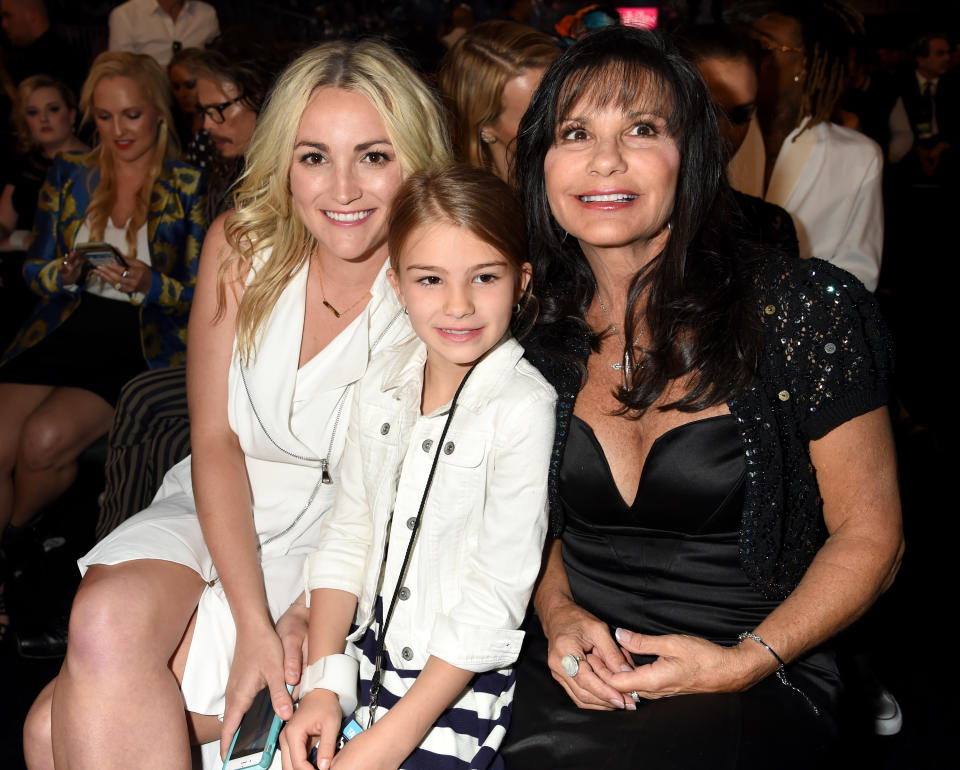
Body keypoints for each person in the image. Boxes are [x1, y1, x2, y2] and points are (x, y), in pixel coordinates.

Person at [22, 39, 450, 770]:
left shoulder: (446, 283)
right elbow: (214, 439)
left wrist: (308, 616)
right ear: (284, 160)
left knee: (47, 728)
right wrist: (253, 623)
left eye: (374, 156)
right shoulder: (242, 245)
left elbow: (416, 496)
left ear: (417, 159)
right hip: (217, 499)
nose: (342, 188)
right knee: (101, 615)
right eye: (314, 157)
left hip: (337, 542)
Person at [499, 26, 902, 768]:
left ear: (694, 158)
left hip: (756, 668)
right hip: (573, 665)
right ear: (542, 165)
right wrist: (558, 615)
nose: (605, 160)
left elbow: (872, 539)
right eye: (577, 131)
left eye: (643, 129)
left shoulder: (801, 307)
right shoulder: (529, 328)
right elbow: (519, 521)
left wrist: (745, 661)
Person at [283, 164, 555, 770]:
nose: (458, 306)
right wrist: (324, 682)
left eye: (484, 277)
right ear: (398, 286)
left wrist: (387, 742)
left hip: (450, 682)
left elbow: (496, 593)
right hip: (363, 654)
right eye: (431, 279)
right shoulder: (381, 380)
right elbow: (348, 530)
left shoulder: (524, 407)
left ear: (521, 281)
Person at [0, 51, 206, 645]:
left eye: (132, 115)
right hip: (67, 321)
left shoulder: (187, 185)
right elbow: (33, 269)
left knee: (41, 441)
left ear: (158, 115)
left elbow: (201, 293)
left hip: (142, 339)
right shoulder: (71, 174)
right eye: (106, 115)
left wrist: (150, 284)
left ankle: (12, 543)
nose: (119, 131)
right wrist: (63, 274)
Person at [93, 34, 289, 544]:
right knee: (145, 405)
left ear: (262, 98)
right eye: (201, 113)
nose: (206, 125)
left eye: (219, 109)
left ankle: (120, 555)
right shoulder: (226, 173)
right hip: (236, 351)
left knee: (152, 412)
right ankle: (114, 553)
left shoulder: (293, 174)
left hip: (275, 360)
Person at [725, 0, 883, 292]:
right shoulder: (723, 135)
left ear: (805, 65)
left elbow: (860, 271)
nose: (753, 57)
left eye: (766, 48)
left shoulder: (857, 155)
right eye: (750, 47)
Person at [438, 20, 558, 183]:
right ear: (485, 127)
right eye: (538, 115)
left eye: (565, 100)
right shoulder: (476, 206)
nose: (562, 121)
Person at [1, 75, 88, 251]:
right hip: (19, 265)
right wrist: (16, 240)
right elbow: (3, 224)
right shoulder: (24, 165)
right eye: (33, 112)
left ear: (71, 115)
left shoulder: (94, 164)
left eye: (53, 109)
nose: (43, 119)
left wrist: (19, 241)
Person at [108, 0, 220, 67]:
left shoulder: (206, 14)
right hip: (147, 95)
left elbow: (216, 64)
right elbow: (120, 69)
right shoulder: (125, 15)